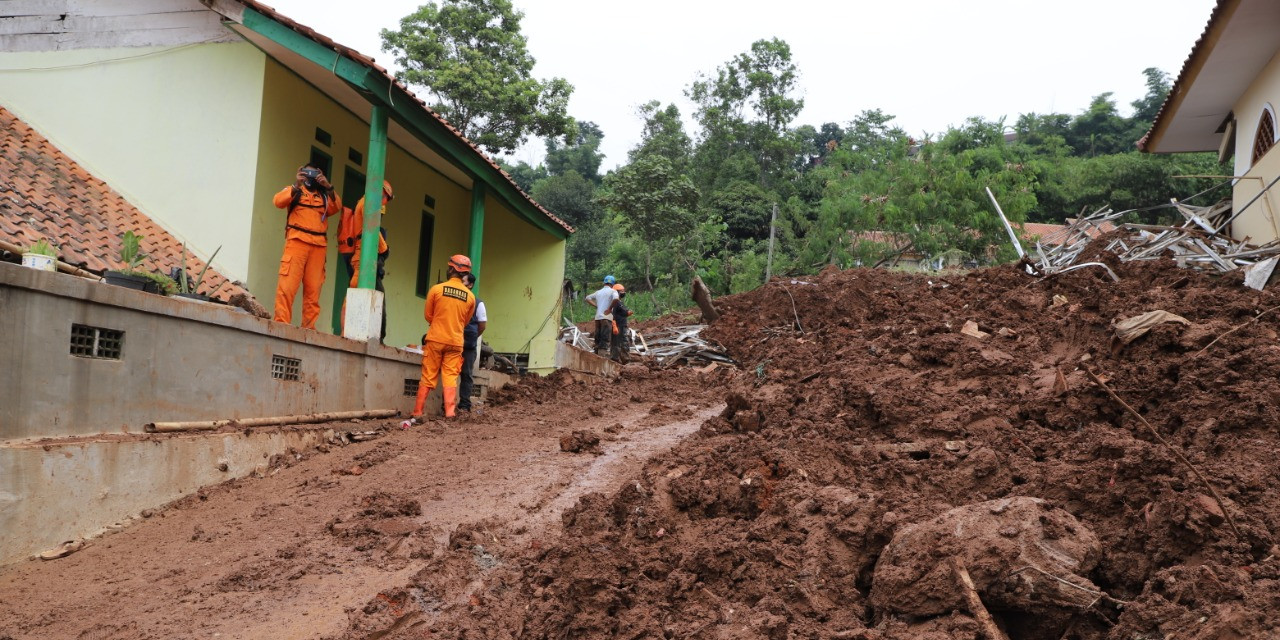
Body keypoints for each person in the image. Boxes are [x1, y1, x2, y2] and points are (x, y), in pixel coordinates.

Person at [408, 255, 476, 424]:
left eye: (449, 267)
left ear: (452, 269)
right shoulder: (470, 297)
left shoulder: (437, 289)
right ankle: (450, 413)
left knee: (428, 375)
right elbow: (465, 321)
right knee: (451, 377)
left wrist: (440, 324)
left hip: (436, 339)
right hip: (455, 342)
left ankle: (417, 412)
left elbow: (428, 315)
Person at [272, 163, 339, 330]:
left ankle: (309, 329)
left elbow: (336, 207)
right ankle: (281, 324)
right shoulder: (294, 191)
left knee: (313, 292)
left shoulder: (324, 196)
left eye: (314, 174)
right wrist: (296, 184)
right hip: (296, 244)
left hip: (318, 248)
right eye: (307, 173)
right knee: (287, 288)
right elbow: (278, 201)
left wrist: (327, 186)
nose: (310, 177)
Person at [343, 180, 393, 341]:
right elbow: (370, 226)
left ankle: (354, 333)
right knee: (355, 295)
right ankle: (349, 333)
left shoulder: (364, 203)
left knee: (357, 294)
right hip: (363, 256)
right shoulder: (367, 203)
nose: (384, 202)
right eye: (385, 198)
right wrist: (384, 248)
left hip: (364, 255)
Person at [458, 272, 487, 413]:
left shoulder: (478, 303)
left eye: (462, 281)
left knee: (466, 373)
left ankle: (464, 404)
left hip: (467, 345)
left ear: (470, 285)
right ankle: (447, 404)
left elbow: (482, 325)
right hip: (453, 342)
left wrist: (472, 336)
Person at [584, 275, 619, 356]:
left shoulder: (598, 292)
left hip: (598, 318)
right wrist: (610, 308)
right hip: (606, 317)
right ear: (613, 284)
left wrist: (597, 306)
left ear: (604, 283)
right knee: (605, 337)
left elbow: (587, 298)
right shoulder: (613, 291)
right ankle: (602, 356)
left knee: (598, 337)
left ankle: (596, 355)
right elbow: (616, 299)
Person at [609, 283, 633, 363]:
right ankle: (619, 359)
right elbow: (623, 313)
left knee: (618, 342)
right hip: (619, 325)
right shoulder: (616, 303)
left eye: (623, 291)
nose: (623, 293)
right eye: (621, 291)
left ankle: (619, 359)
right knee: (621, 343)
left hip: (620, 325)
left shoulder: (616, 302)